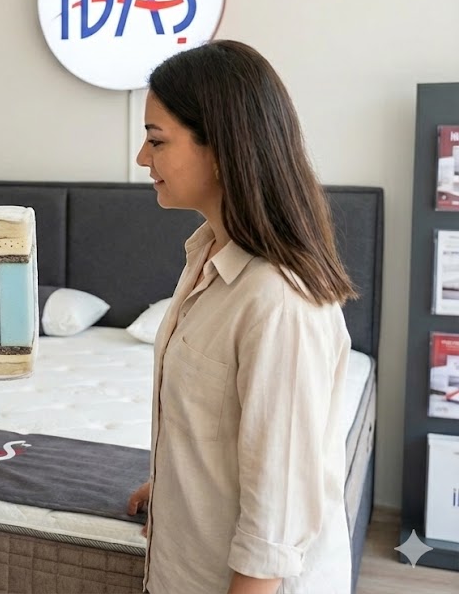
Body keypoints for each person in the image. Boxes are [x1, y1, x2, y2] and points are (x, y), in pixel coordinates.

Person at [125, 40, 356, 594]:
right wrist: (176, 487)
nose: (142, 159)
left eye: (157, 140)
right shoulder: (206, 256)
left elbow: (276, 520)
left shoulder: (280, 302)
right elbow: (219, 419)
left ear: (222, 148)